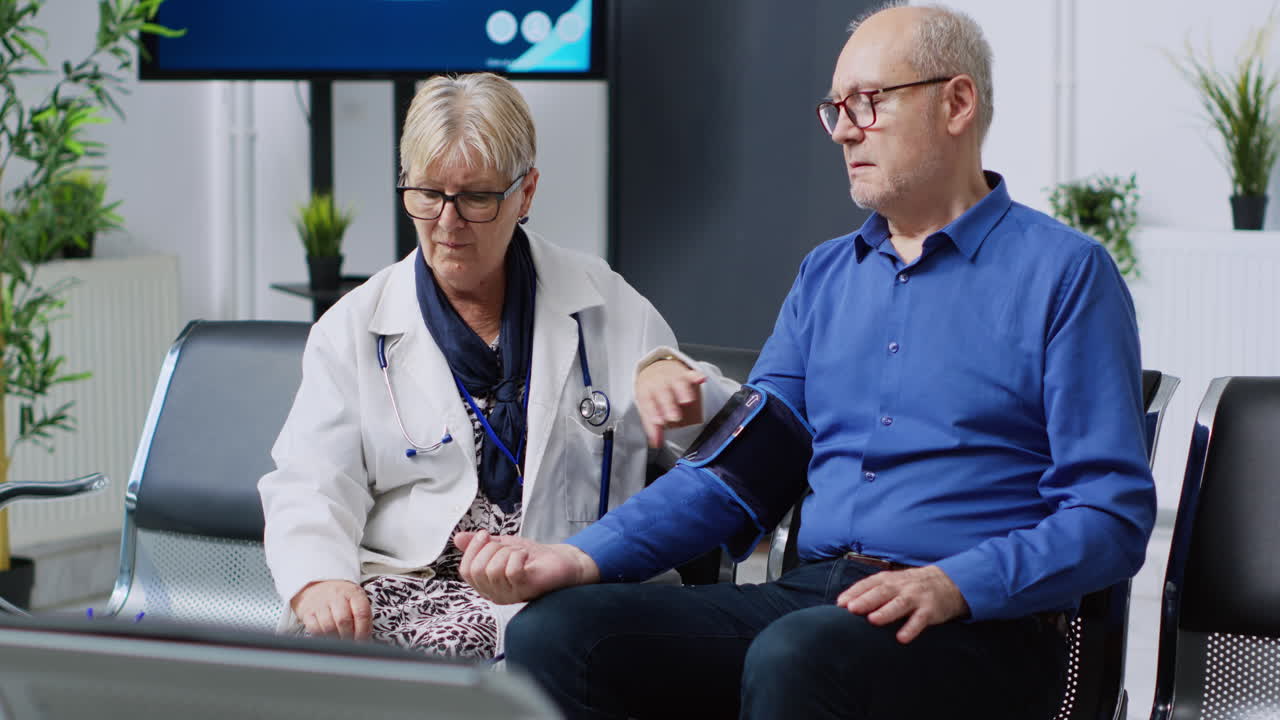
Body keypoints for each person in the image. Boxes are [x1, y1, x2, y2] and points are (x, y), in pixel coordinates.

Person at [455, 4, 1157, 718]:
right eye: (837, 109)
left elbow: (1109, 514)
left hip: (977, 629)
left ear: (957, 102)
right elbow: (738, 469)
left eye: (870, 102)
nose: (846, 128)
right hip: (817, 601)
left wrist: (954, 584)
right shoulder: (826, 277)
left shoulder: (1066, 276)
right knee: (561, 634)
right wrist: (578, 559)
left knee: (799, 657)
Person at [258, 72, 735, 660]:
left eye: (477, 197)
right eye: (428, 194)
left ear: (525, 193)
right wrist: (319, 578)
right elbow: (311, 479)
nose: (448, 223)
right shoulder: (355, 325)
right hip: (407, 582)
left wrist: (680, 386)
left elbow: (723, 439)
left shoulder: (600, 301)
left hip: (564, 586)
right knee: (314, 660)